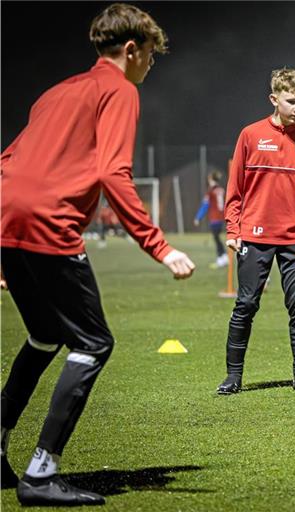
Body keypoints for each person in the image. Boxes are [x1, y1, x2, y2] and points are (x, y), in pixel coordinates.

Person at [0, 3, 195, 506]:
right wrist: (160, 246)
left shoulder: (57, 91)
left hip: (10, 224)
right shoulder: (119, 90)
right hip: (50, 226)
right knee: (93, 343)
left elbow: (7, 161)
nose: (150, 67)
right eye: (150, 56)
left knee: (45, 336)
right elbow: (113, 173)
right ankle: (41, 474)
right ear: (131, 50)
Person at [218, 68, 295, 395]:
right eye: (291, 101)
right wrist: (233, 228)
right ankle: (233, 378)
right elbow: (235, 187)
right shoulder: (250, 135)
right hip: (254, 236)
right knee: (246, 304)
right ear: (274, 99)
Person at [194, 171, 228, 268]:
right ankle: (223, 257)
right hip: (222, 217)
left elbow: (205, 205)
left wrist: (198, 217)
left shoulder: (210, 191)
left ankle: (221, 258)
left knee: (216, 238)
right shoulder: (221, 190)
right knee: (217, 238)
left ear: (211, 179)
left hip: (214, 218)